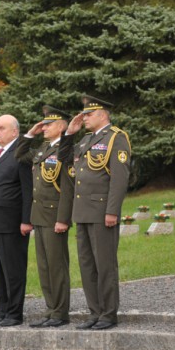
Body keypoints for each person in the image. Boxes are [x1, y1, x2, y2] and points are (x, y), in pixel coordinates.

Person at [60, 95, 131, 331]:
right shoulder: (86, 139)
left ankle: (108, 314)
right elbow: (63, 159)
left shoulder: (116, 138)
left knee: (104, 265)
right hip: (82, 211)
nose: (84, 118)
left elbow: (119, 179)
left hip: (102, 212)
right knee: (87, 266)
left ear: (102, 114)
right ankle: (95, 312)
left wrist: (112, 211)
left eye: (89, 114)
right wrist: (69, 133)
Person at [17, 106, 74, 328]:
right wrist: (30, 134)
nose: (44, 128)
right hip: (39, 215)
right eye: (43, 124)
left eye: (48, 124)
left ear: (61, 126)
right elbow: (20, 155)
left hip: (54, 215)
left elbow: (67, 188)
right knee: (44, 266)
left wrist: (63, 219)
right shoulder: (43, 149)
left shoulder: (64, 150)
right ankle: (51, 309)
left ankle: (60, 312)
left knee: (56, 266)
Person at [0, 114, 33, 327]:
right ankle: (2, 310)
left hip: (10, 223)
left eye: (1, 128)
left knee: (12, 270)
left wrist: (26, 220)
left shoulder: (21, 153)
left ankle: (14, 313)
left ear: (15, 131)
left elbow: (28, 189)